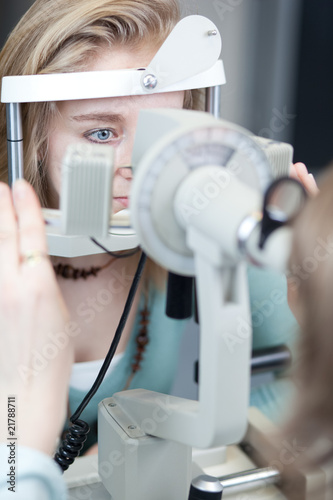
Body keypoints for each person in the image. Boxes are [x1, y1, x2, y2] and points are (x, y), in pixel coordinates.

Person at [0, 0, 318, 461]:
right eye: (102, 134)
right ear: (33, 135)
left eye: (161, 132)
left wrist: (312, 304)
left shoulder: (212, 228)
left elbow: (297, 398)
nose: (139, 165)